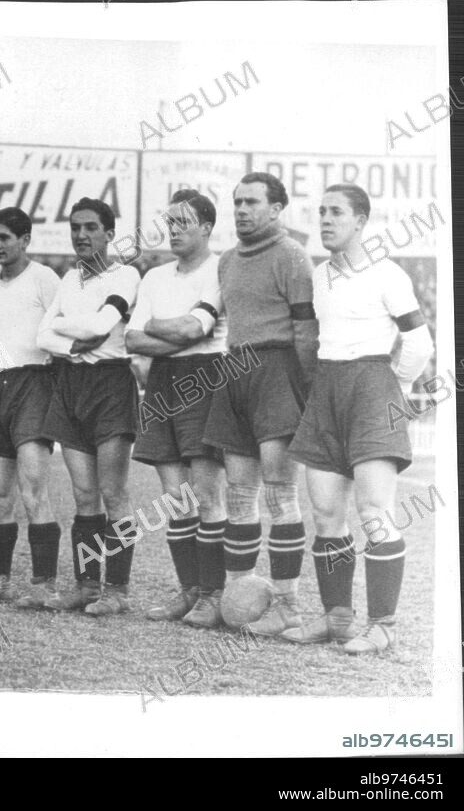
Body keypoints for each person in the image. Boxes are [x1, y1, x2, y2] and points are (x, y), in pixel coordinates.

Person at [282, 184, 433, 653]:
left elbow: (420, 344)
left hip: (373, 389)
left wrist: (395, 390)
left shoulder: (388, 274)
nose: (326, 220)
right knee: (326, 514)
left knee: (374, 513)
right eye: (322, 212)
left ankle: (383, 625)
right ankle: (337, 619)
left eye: (337, 213)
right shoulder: (320, 276)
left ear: (361, 220)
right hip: (327, 390)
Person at [197, 172, 318, 636]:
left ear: (276, 208)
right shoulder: (227, 260)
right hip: (236, 371)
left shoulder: (291, 255)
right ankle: (237, 599)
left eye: (251, 202)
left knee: (279, 492)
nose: (242, 210)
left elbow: (306, 331)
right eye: (237, 202)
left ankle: (287, 605)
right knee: (240, 494)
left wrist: (306, 390)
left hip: (278, 370)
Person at [125, 191, 228, 626]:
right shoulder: (154, 277)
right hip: (165, 382)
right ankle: (189, 591)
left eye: (184, 221)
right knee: (174, 499)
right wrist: (171, 333)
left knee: (207, 495)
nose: (175, 229)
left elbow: (196, 328)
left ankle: (213, 595)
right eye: (171, 221)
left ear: (206, 226)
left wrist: (162, 329)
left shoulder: (220, 268)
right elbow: (132, 339)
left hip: (206, 378)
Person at [36, 197, 142, 615]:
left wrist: (66, 333)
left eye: (91, 228)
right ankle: (86, 585)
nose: (81, 235)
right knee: (83, 494)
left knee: (113, 490)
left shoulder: (127, 275)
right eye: (76, 227)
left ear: (109, 234)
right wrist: (72, 340)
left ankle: (116, 590)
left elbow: (101, 328)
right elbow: (42, 335)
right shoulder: (68, 280)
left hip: (110, 384)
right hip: (71, 384)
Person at [0, 207, 63, 607]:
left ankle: (44, 584)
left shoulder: (44, 279)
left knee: (34, 488)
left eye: (5, 237)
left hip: (35, 382)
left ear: (25, 240)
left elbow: (60, 334)